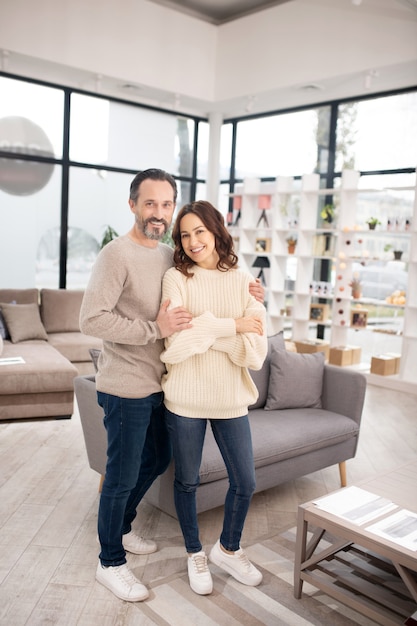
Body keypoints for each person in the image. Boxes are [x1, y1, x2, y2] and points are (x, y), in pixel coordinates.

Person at [79, 168, 264, 603]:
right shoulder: (115, 254)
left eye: (166, 205)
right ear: (133, 205)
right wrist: (154, 327)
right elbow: (90, 319)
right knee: (120, 477)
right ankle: (109, 562)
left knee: (156, 460)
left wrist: (251, 289)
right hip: (126, 384)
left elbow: (211, 286)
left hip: (161, 385)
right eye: (150, 203)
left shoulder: (168, 257)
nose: (158, 213)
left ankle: (121, 530)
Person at [160, 200, 268, 596]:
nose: (192, 241)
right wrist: (232, 326)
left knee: (246, 481)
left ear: (216, 230)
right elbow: (175, 343)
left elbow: (256, 352)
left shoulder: (243, 280)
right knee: (186, 482)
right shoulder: (176, 278)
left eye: (199, 232)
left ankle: (227, 547)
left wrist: (208, 332)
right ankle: (194, 553)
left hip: (230, 398)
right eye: (184, 235)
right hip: (185, 398)